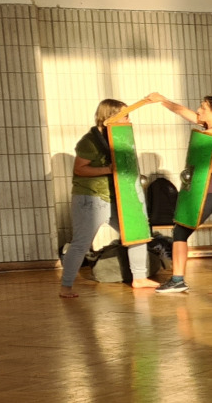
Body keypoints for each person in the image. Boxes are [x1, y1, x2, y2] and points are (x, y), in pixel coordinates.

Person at [142, 92, 212, 293]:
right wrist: (163, 101)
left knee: (180, 232)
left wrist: (190, 172)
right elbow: (184, 112)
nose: (198, 110)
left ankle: (177, 280)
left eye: (202, 107)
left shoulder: (210, 135)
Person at [58, 99, 157, 296]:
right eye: (125, 115)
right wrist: (109, 169)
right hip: (91, 198)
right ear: (111, 116)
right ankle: (66, 286)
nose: (129, 119)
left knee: (136, 234)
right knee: (81, 243)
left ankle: (139, 277)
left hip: (116, 196)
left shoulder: (118, 138)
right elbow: (80, 169)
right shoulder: (90, 141)